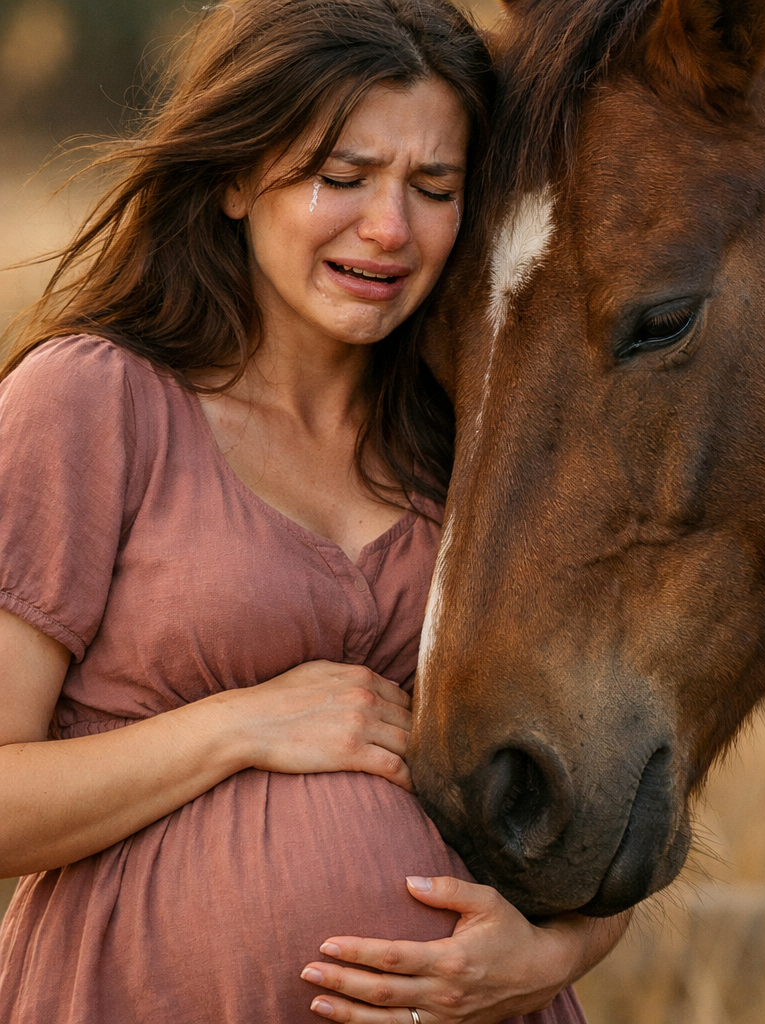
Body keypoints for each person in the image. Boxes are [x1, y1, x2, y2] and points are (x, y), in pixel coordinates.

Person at [0, 1, 630, 1021]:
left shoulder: (477, 442)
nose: (388, 229)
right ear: (240, 176)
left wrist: (550, 952)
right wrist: (238, 726)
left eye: (434, 187)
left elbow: (603, 805)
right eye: (341, 177)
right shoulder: (92, 403)